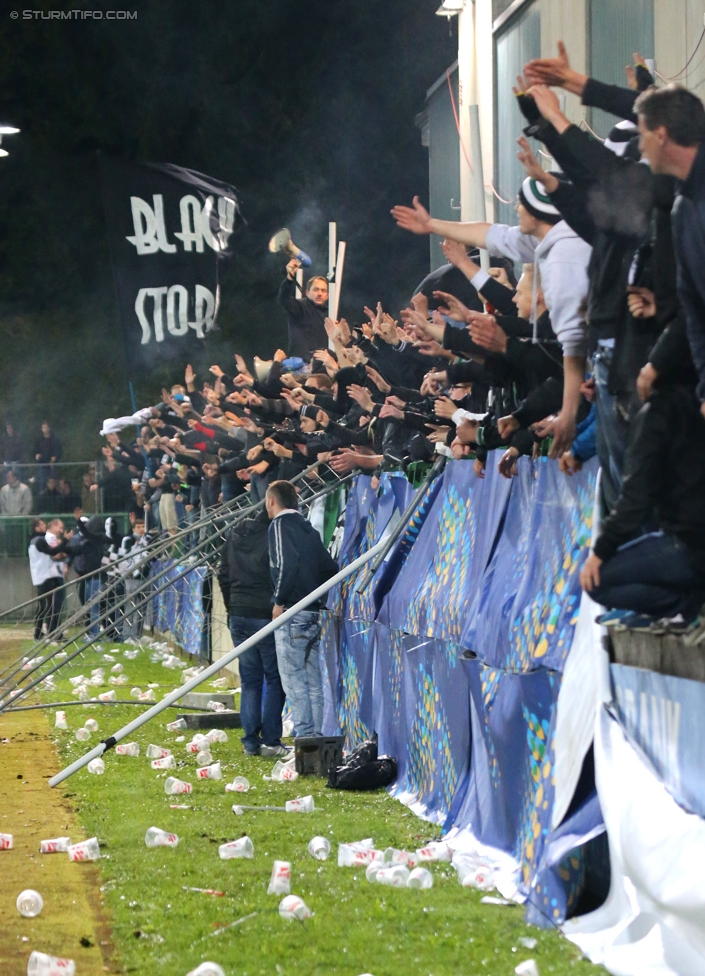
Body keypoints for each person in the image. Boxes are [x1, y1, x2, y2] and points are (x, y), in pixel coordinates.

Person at [391, 181, 591, 458]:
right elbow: (490, 234)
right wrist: (433, 225)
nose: (517, 208)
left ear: (537, 213)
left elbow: (560, 355)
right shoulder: (543, 246)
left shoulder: (566, 257)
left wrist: (565, 414)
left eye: (522, 203)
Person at [580, 383, 705, 627]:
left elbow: (635, 499)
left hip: (690, 544)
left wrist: (600, 552)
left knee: (597, 581)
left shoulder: (658, 415)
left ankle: (690, 604)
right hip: (689, 539)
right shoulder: (691, 404)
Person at [632, 84, 705, 414]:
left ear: (661, 135)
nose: (640, 146)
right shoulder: (680, 209)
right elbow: (693, 307)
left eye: (642, 134)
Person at [265, 479, 338, 738]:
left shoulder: (279, 526)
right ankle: (315, 739)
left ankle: (304, 737)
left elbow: (287, 563)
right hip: (313, 612)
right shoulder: (309, 529)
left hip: (292, 613)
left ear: (272, 501)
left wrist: (279, 601)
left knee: (293, 679)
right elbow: (331, 568)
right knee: (313, 680)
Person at [218, 508, 288, 757]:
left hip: (238, 612)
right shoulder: (273, 536)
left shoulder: (234, 536)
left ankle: (250, 742)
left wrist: (231, 606)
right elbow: (279, 573)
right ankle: (271, 739)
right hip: (264, 613)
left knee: (249, 680)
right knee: (274, 678)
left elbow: (222, 573)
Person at [277, 258, 329, 360]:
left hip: (321, 366)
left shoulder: (330, 314)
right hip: (300, 366)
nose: (319, 293)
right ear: (307, 292)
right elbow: (284, 299)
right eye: (316, 290)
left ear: (327, 296)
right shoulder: (300, 306)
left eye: (323, 291)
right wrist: (289, 278)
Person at [28, 517, 71, 641]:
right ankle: (53, 633)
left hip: (38, 576)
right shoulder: (40, 541)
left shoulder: (33, 541)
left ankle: (38, 633)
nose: (44, 525)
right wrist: (65, 541)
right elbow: (53, 552)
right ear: (37, 528)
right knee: (51, 606)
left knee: (43, 607)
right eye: (41, 524)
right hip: (45, 576)